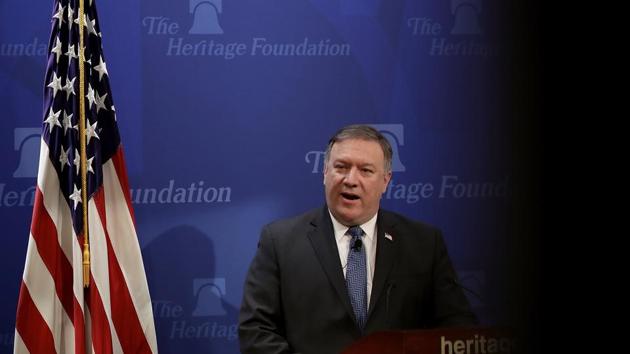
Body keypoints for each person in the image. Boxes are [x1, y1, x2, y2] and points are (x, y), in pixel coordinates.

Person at [239, 124, 477, 354]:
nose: (351, 180)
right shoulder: (280, 241)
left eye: (366, 170)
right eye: (341, 167)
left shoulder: (423, 243)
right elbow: (256, 330)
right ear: (325, 173)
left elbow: (457, 329)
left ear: (386, 181)